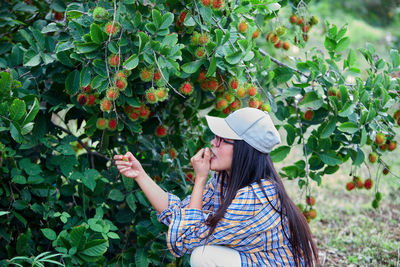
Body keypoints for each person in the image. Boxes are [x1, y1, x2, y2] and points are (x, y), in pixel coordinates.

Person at [114, 107, 319, 266]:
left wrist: (200, 179)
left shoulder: (254, 196)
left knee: (203, 257)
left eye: (222, 140)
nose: (213, 143)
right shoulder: (224, 181)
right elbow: (181, 215)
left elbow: (187, 238)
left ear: (243, 149)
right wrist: (140, 175)